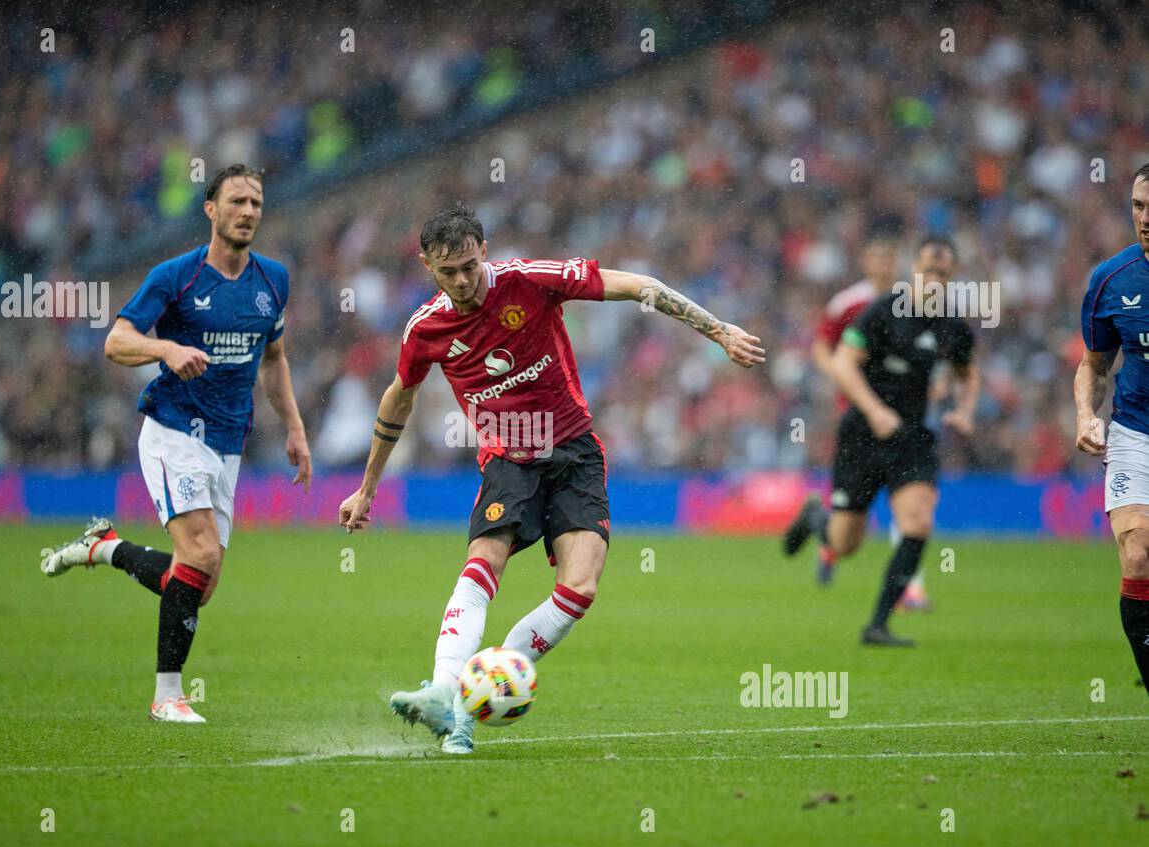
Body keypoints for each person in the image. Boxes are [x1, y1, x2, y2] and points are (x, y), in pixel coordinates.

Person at [338, 202, 764, 753]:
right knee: (483, 561)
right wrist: (368, 487)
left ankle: (469, 705)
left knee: (581, 585)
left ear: (483, 250)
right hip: (508, 459)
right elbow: (400, 398)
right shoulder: (426, 329)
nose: (464, 280)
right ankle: (443, 689)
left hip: (574, 451)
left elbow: (639, 286)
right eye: (449, 272)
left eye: (470, 265)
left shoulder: (531, 281)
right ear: (426, 265)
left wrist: (718, 330)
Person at [39, 165, 312, 721]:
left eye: (256, 202)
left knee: (199, 584)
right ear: (210, 210)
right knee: (203, 553)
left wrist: (295, 427)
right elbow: (116, 342)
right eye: (236, 201)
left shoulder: (274, 280)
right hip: (172, 430)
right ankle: (167, 696)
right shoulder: (176, 277)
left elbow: (275, 358)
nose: (248, 212)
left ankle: (106, 548)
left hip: (227, 442)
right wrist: (165, 350)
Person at [783, 236, 979, 647]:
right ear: (913, 270)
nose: (934, 281)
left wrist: (964, 409)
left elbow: (967, 370)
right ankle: (815, 516)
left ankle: (878, 625)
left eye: (943, 274)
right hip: (861, 435)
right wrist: (874, 411)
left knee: (917, 520)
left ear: (953, 278)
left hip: (911, 438)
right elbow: (842, 363)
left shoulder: (952, 325)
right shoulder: (883, 311)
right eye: (928, 271)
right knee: (845, 543)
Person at [1074, 162, 1149, 698]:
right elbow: (1094, 364)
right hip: (1135, 435)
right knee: (1138, 553)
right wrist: (1085, 414)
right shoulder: (1111, 280)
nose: (1145, 219)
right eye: (1139, 207)